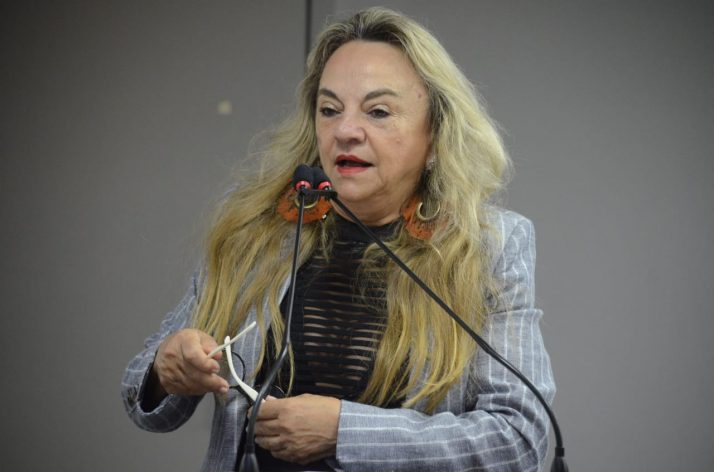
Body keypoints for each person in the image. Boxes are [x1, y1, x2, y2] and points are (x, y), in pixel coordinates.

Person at [121, 7, 555, 471]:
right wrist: (167, 369)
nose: (345, 131)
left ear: (434, 135)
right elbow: (143, 399)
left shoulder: (488, 247)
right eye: (329, 110)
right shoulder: (258, 228)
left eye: (378, 111)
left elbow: (518, 438)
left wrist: (344, 433)